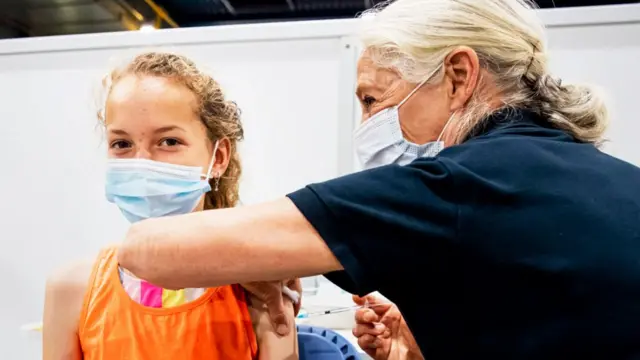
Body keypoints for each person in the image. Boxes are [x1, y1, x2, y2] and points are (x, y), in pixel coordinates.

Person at [117, 0, 640, 358]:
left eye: (372, 100)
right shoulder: (621, 182)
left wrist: (255, 262)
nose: (368, 126)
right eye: (121, 142)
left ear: (458, 77)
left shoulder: (450, 188)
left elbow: (150, 250)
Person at [42, 52, 299, 360]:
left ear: (217, 158)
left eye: (168, 142)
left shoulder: (259, 287)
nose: (142, 163)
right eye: (122, 144)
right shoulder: (74, 288)